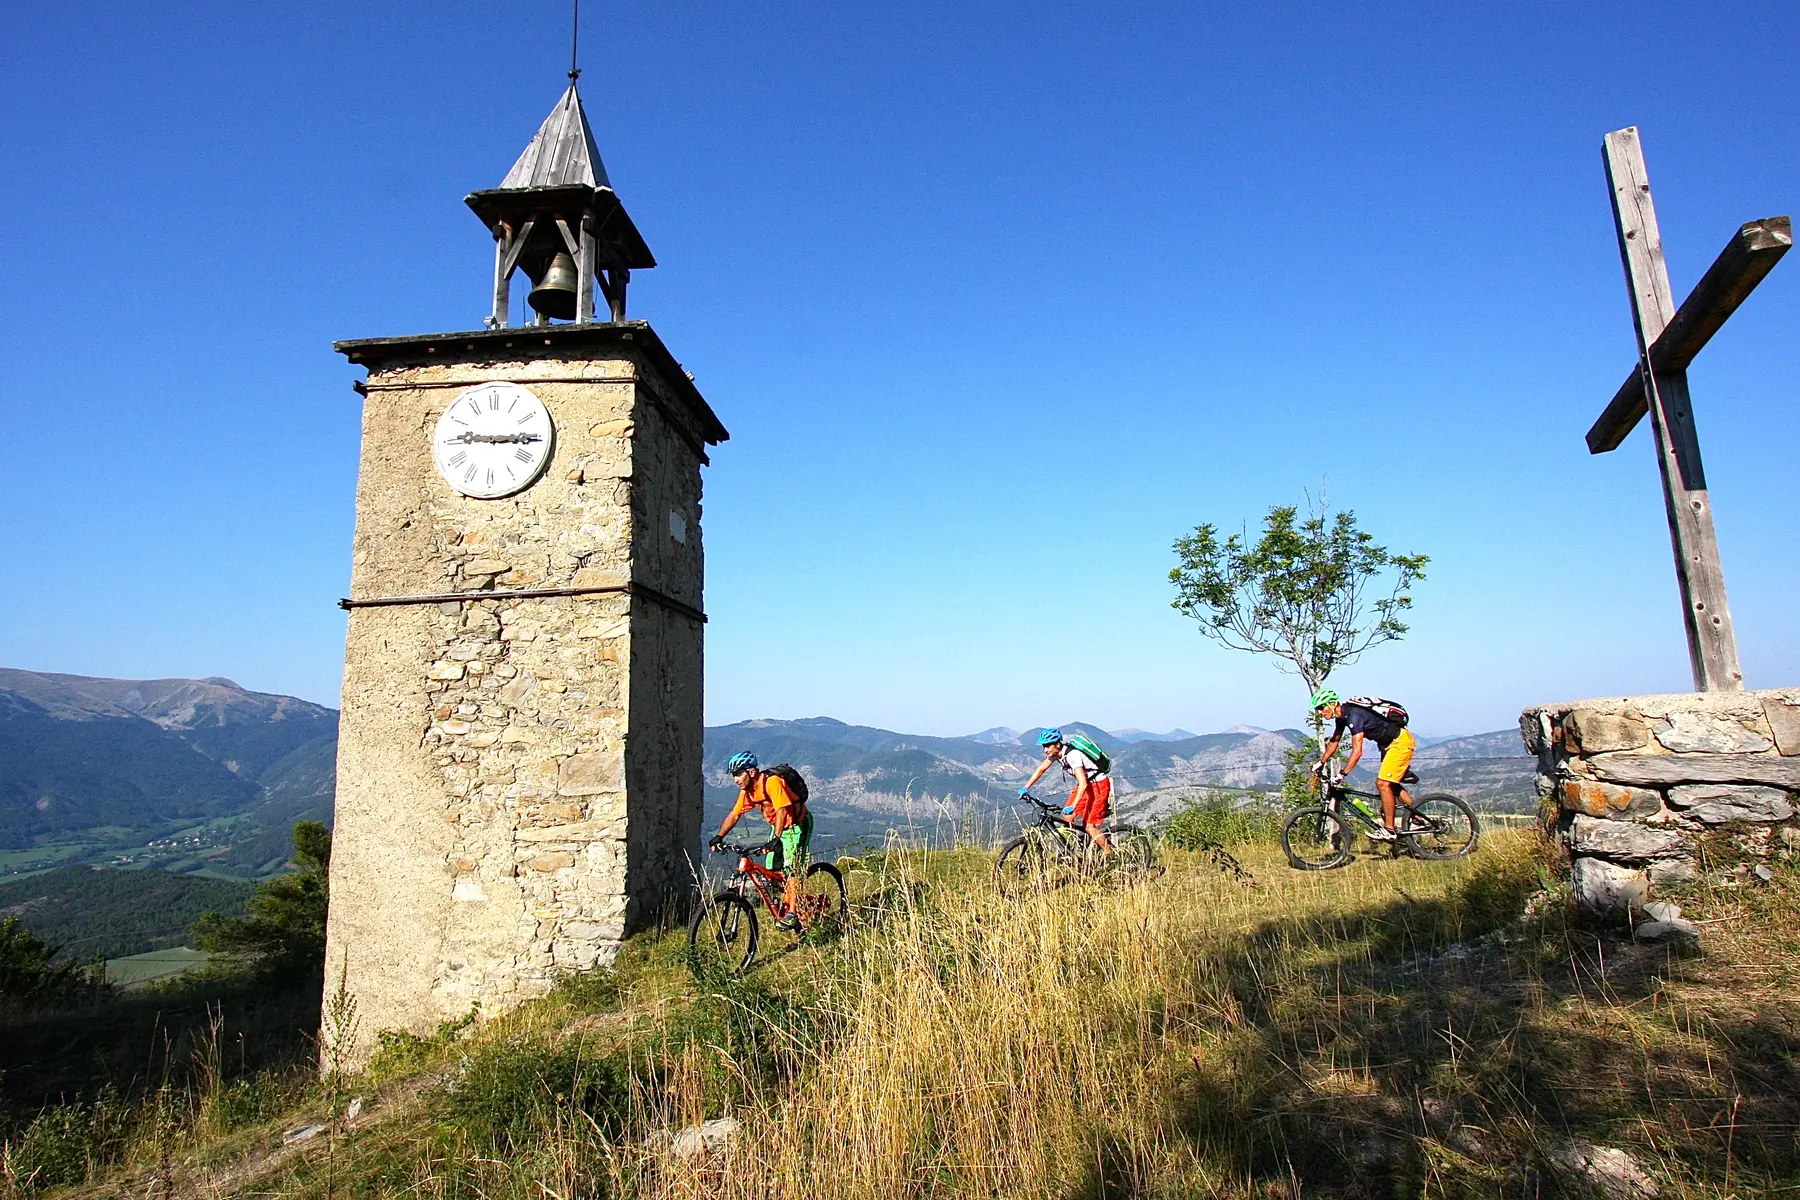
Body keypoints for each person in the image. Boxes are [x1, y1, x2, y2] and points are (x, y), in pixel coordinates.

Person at [710, 751, 813, 928]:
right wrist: (719, 836)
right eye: (734, 775)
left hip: (797, 826)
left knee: (791, 870)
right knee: (771, 869)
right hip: (779, 828)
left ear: (751, 772)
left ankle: (792, 913)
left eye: (738, 774)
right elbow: (735, 814)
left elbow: (782, 810)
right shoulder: (748, 792)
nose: (735, 779)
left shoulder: (772, 782)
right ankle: (789, 898)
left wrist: (776, 839)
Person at [1311, 689, 1415, 841]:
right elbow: (1334, 741)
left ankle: (1389, 830)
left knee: (1383, 783)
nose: (1320, 712)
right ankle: (1415, 814)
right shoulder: (1342, 718)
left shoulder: (1354, 716)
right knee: (1390, 784)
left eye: (1321, 707)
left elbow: (1358, 750)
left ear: (1332, 704)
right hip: (1388, 745)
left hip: (1399, 744)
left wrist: (1342, 774)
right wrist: (1320, 763)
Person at [1019, 728, 1114, 855]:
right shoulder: (1057, 754)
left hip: (1098, 785)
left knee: (1089, 826)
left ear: (1057, 744)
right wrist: (1026, 787)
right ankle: (1077, 850)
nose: (1045, 750)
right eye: (1044, 746)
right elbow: (1041, 768)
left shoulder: (1072, 756)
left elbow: (1083, 783)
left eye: (1048, 746)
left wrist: (1073, 806)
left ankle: (1111, 855)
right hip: (1087, 786)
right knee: (1067, 816)